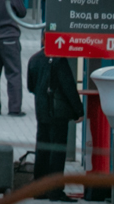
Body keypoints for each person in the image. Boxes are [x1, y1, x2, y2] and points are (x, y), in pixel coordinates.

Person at [27, 52, 83, 186]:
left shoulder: (34, 58)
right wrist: (79, 111)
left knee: (42, 148)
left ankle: (39, 188)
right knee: (57, 151)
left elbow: (30, 86)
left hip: (41, 111)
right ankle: (55, 190)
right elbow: (68, 87)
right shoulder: (59, 60)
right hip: (58, 113)